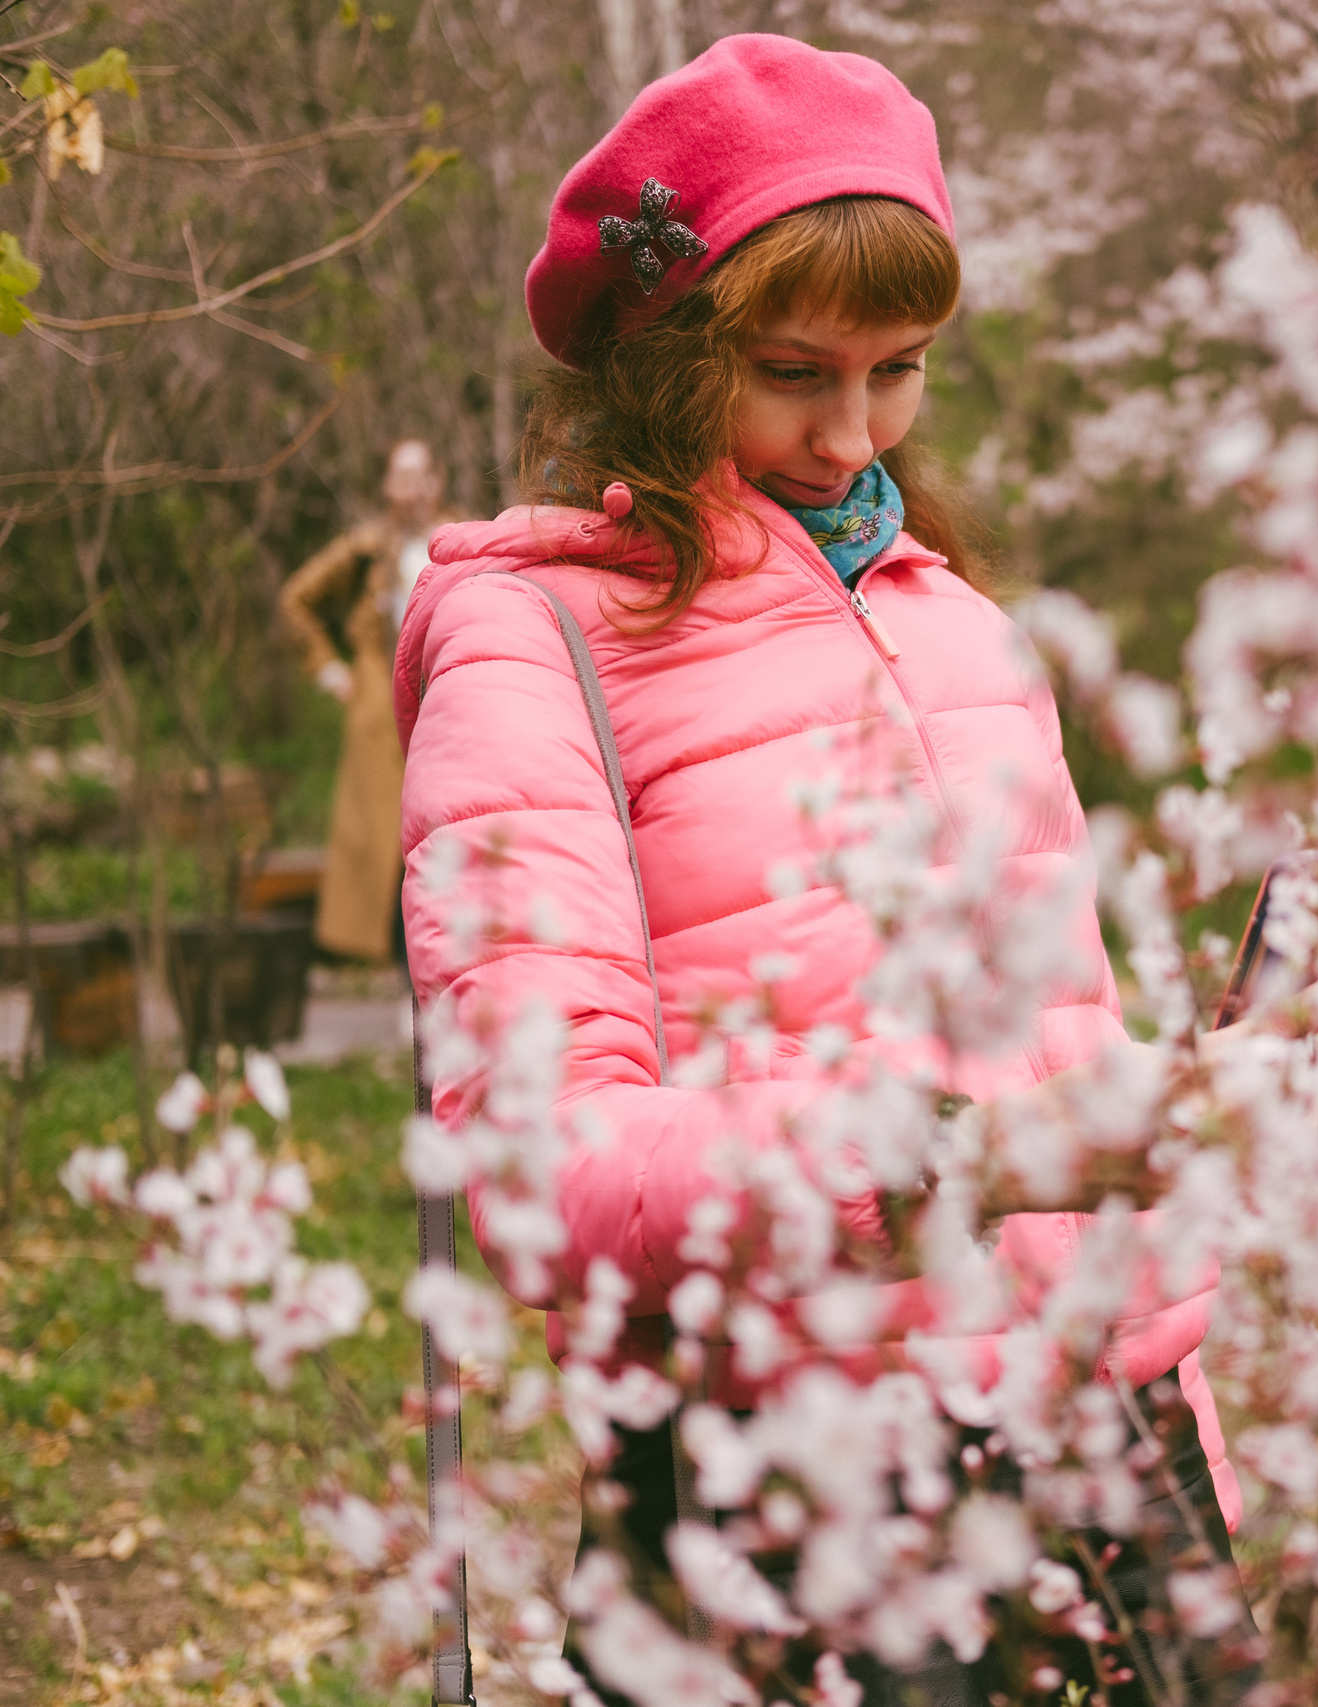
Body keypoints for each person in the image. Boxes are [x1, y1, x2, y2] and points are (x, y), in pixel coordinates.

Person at [389, 34, 1254, 1703]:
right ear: (661, 353)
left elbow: (1062, 1049)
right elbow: (538, 1161)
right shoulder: (531, 641)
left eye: (902, 369)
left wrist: (1189, 1124)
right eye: (796, 371)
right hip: (782, 1499)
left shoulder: (966, 630)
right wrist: (935, 1161)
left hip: (1114, 1470)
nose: (852, 436)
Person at [278, 439, 451, 962]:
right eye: (399, 477)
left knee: (445, 840)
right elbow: (296, 600)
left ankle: (447, 967)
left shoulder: (457, 537)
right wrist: (331, 671)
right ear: (386, 485)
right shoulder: (366, 548)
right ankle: (402, 976)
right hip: (380, 717)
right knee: (391, 852)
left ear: (436, 481)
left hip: (444, 708)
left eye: (418, 477)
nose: (409, 491)